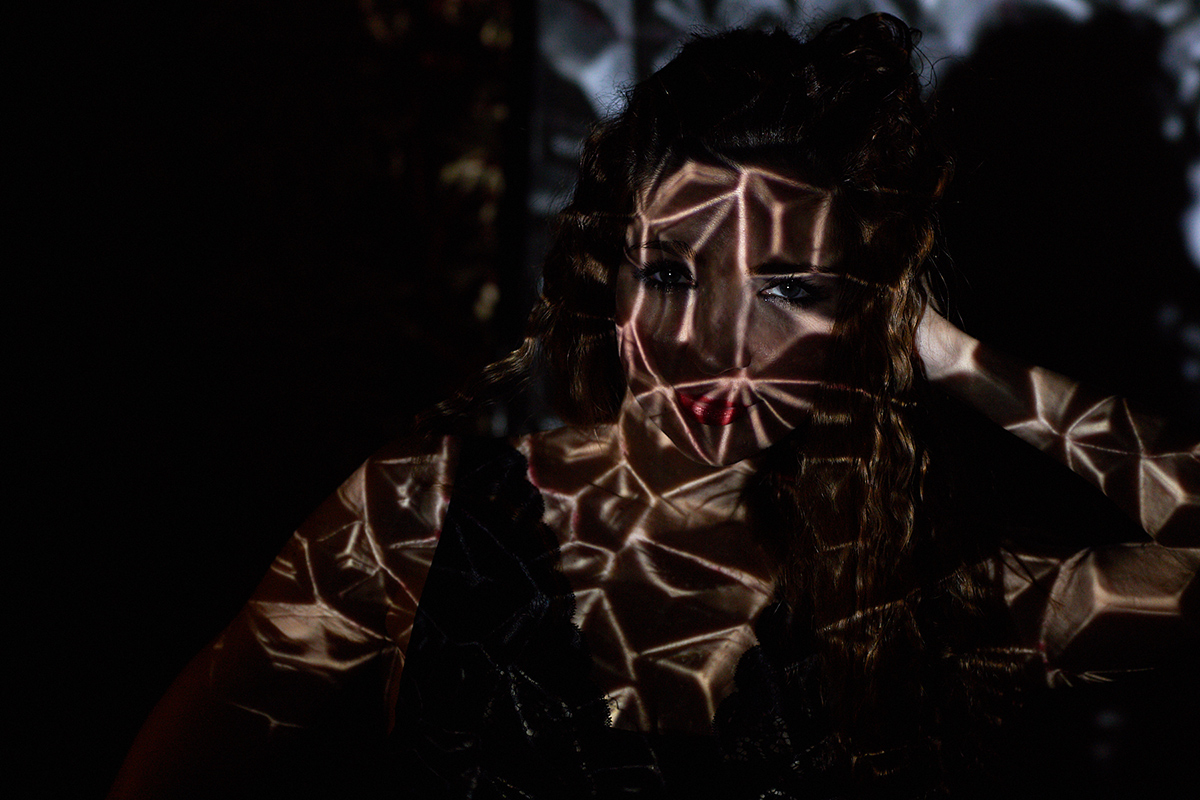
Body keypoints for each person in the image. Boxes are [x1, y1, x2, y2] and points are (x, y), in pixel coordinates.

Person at [110, 13, 1198, 799]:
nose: (708, 343)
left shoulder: (919, 592)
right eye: (670, 274)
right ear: (611, 278)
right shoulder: (420, 518)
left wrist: (954, 355)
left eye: (788, 288)